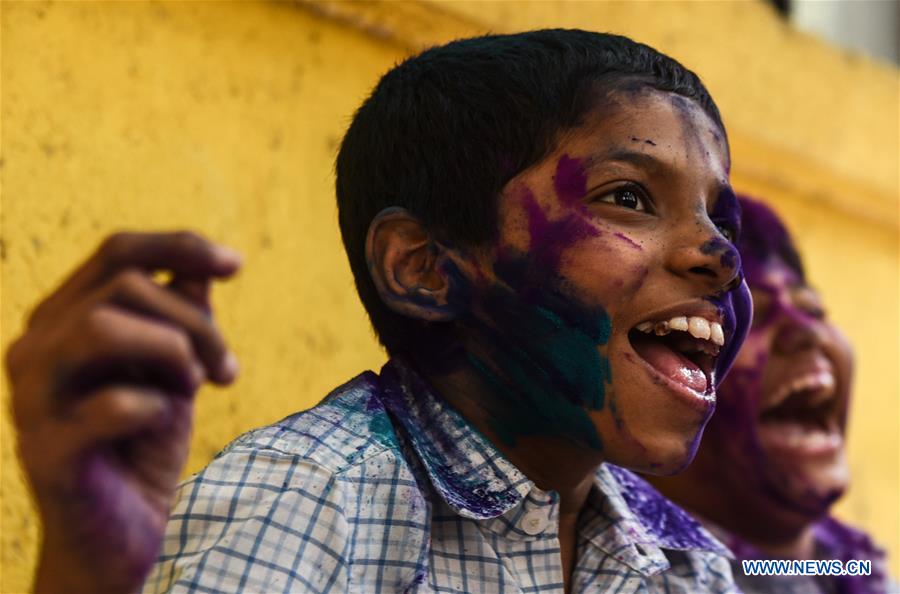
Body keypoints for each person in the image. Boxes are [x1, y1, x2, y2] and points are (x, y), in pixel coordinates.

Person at [6, 30, 752, 593]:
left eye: (720, 218)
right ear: (423, 268)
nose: (719, 256)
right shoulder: (306, 500)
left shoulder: (685, 562)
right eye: (627, 197)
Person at [647, 195, 890, 594]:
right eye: (751, 313)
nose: (806, 332)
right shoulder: (616, 573)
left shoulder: (852, 566)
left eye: (811, 309)